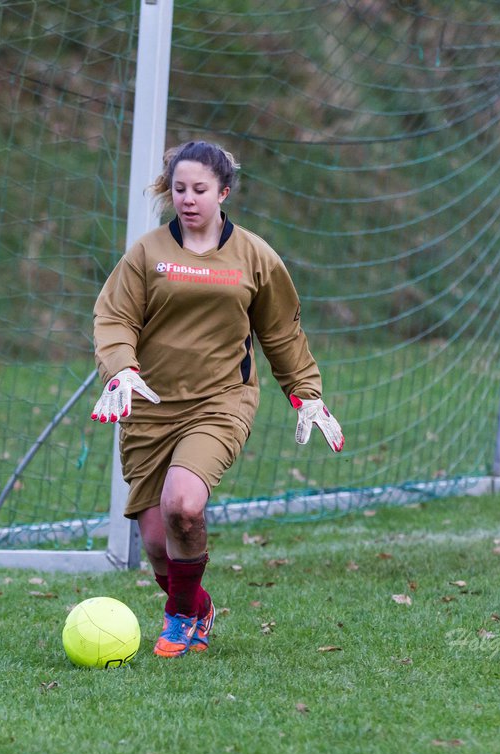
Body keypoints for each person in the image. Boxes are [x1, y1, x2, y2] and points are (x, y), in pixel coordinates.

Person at [91, 140, 344, 658]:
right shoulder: (147, 254)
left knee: (184, 505)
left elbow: (281, 332)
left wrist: (306, 393)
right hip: (150, 404)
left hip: (220, 402)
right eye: (179, 188)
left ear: (223, 192)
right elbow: (114, 317)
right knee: (159, 544)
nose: (188, 198)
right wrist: (120, 370)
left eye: (200, 189)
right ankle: (197, 604)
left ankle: (181, 618)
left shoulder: (254, 256)